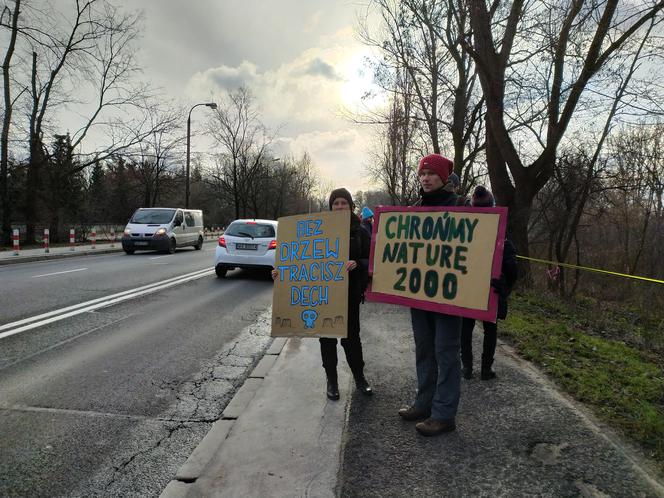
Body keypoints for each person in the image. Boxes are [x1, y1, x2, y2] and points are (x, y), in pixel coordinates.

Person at [272, 188, 373, 401]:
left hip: (349, 295)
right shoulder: (319, 230)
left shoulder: (361, 230)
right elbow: (301, 259)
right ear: (330, 207)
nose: (339, 207)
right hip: (324, 296)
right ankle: (332, 381)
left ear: (351, 206)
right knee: (326, 339)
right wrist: (282, 273)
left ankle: (360, 378)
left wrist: (358, 263)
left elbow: (371, 261)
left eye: (343, 203)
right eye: (335, 203)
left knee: (351, 339)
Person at [398, 153, 463, 437]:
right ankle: (423, 404)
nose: (425, 178)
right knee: (424, 349)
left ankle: (444, 414)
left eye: (431, 173)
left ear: (444, 178)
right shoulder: (414, 210)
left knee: (446, 352)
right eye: (422, 174)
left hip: (450, 297)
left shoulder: (464, 208)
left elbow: (489, 246)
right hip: (420, 294)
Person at [460, 186, 518, 380]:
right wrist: (504, 284)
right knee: (487, 330)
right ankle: (484, 368)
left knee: (467, 328)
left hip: (479, 289)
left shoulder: (466, 235)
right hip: (486, 289)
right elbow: (513, 270)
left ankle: (468, 367)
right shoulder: (503, 238)